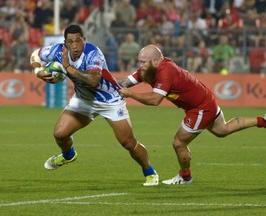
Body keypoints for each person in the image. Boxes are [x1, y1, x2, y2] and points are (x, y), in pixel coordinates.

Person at [29, 25, 158, 186]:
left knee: (128, 143)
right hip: (84, 100)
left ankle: (150, 172)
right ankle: (68, 155)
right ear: (65, 43)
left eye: (78, 40)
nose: (75, 45)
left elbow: (93, 80)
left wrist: (68, 67)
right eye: (70, 42)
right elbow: (35, 55)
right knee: (60, 134)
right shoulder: (58, 51)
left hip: (110, 100)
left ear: (84, 40)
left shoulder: (92, 53)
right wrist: (38, 71)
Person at [118, 44, 266, 185]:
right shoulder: (149, 70)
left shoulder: (166, 71)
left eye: (143, 61)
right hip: (205, 100)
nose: (140, 65)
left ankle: (185, 177)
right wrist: (104, 83)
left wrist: (130, 94)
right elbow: (125, 82)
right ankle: (262, 120)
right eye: (140, 61)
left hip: (200, 108)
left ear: (156, 60)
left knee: (179, 143)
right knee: (222, 130)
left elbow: (155, 100)